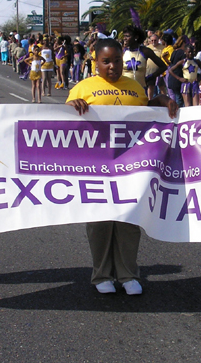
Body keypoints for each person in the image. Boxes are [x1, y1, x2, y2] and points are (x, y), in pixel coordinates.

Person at [66, 37, 178, 295]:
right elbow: (63, 126)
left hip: (130, 166)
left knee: (129, 219)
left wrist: (160, 101)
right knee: (100, 222)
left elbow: (147, 118)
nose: (113, 66)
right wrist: (72, 106)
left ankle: (128, 274)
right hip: (95, 167)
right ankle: (102, 274)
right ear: (96, 62)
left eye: (117, 61)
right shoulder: (83, 88)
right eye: (106, 62)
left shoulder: (134, 87)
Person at [121, 25, 167, 95]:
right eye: (124, 36)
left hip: (141, 89)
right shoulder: (122, 52)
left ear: (136, 37)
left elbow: (163, 66)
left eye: (127, 36)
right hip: (125, 91)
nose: (125, 38)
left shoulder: (145, 51)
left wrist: (149, 77)